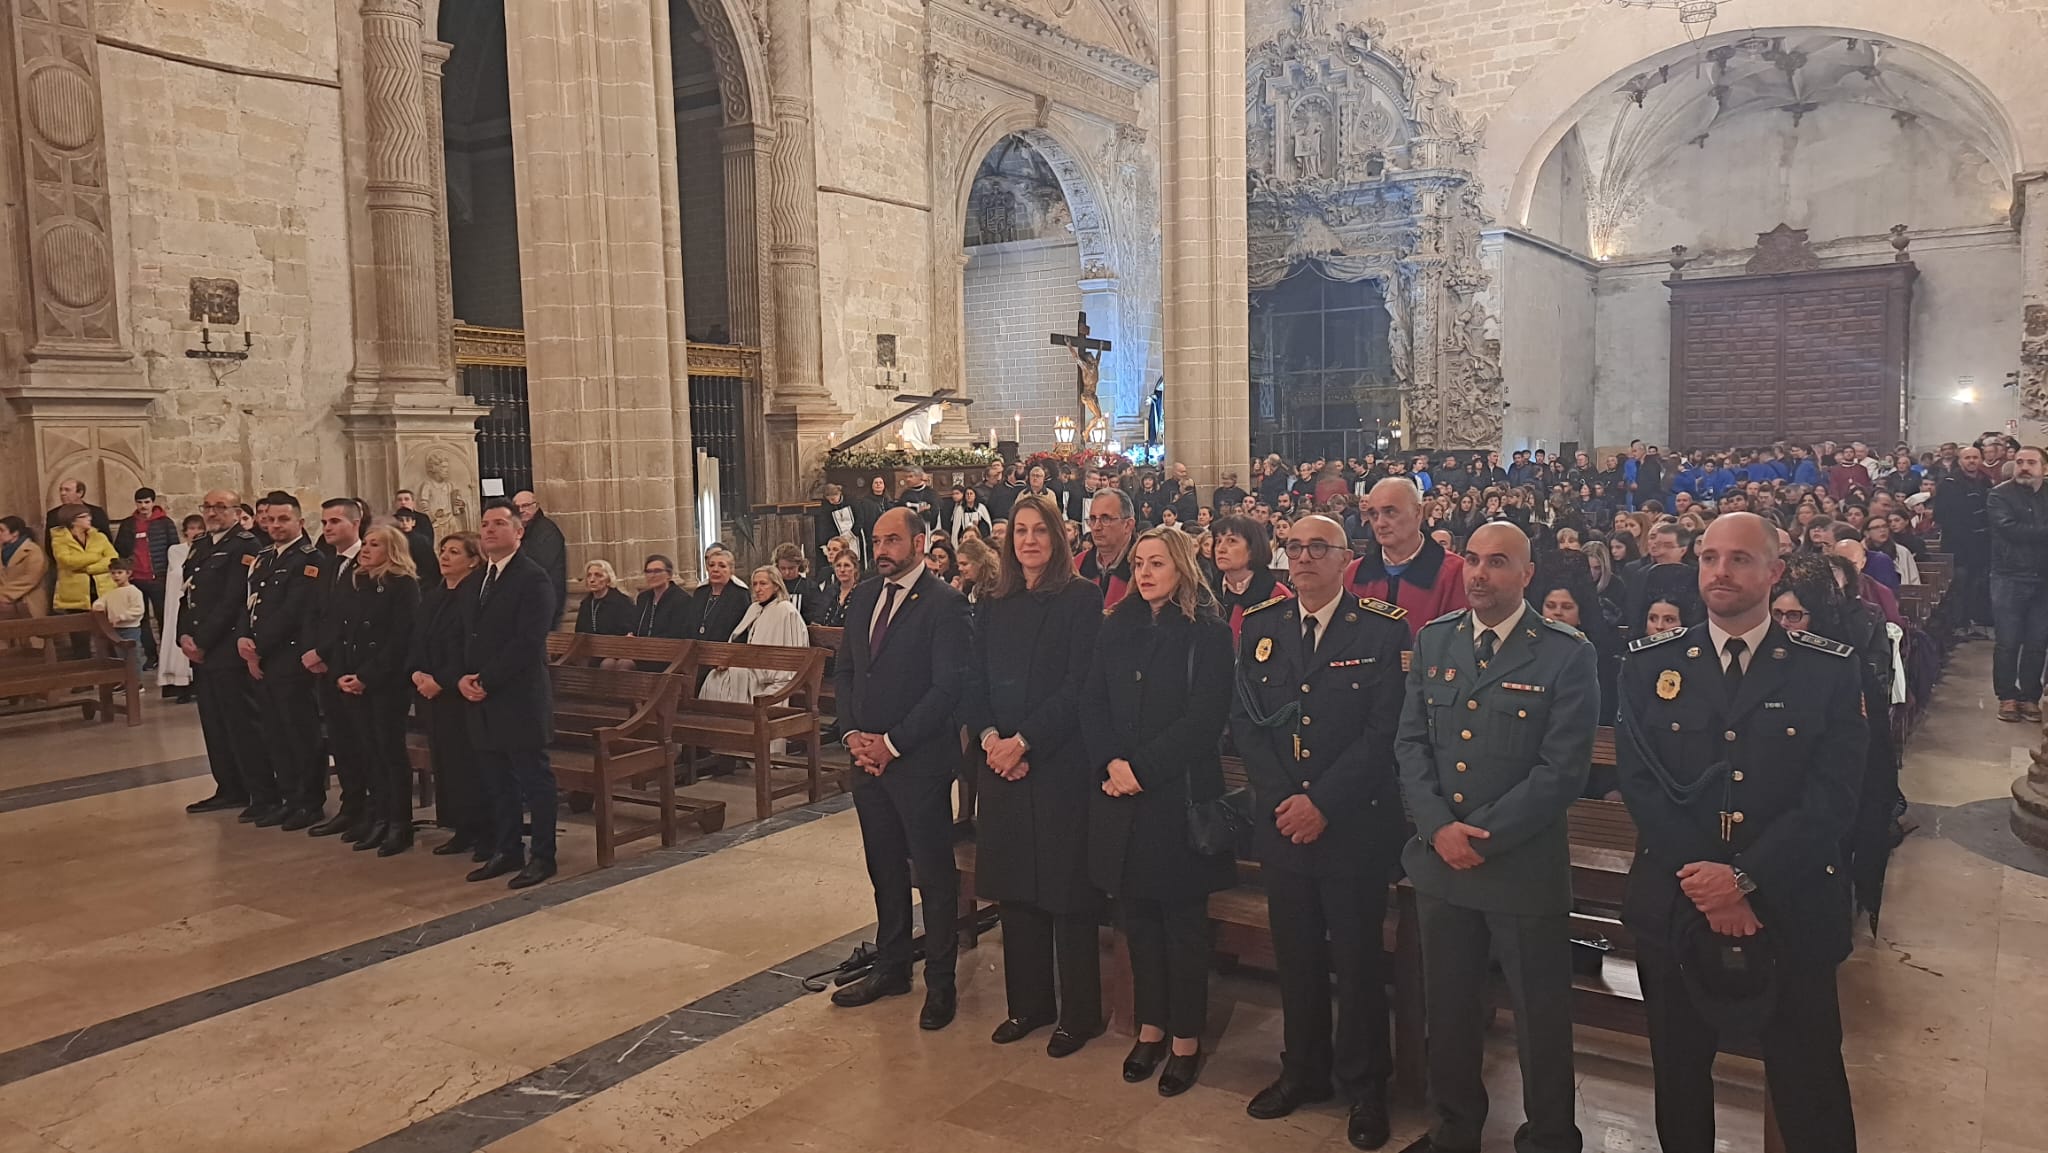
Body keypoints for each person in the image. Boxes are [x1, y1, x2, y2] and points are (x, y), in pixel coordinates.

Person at [1612, 513, 1867, 1153]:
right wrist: (1712, 886)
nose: (1720, 572)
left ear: (1775, 572)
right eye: (1709, 558)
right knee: (1678, 1076)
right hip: (1679, 900)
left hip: (1789, 903)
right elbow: (1643, 787)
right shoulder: (1649, 665)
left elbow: (1833, 799)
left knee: (1810, 1081)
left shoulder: (1826, 670)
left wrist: (1745, 879)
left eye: (1740, 559)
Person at [1394, 521, 1599, 1153]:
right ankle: (1454, 1130)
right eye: (1475, 561)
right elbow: (1411, 744)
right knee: (1448, 1012)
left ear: (1527, 575)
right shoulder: (1436, 641)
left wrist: (1476, 838)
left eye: (1499, 562)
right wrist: (1436, 828)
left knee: (1539, 1020)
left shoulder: (1565, 652)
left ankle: (1549, 1139)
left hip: (1519, 869)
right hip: (1441, 866)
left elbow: (1561, 771)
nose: (1481, 574)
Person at [1234, 514, 1412, 1149]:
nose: (1304, 558)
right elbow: (1248, 724)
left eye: (1319, 548)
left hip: (1354, 824)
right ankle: (1302, 1070)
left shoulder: (1383, 631)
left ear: (1347, 559)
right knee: (1297, 955)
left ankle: (1365, 1087)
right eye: (1295, 548)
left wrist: (1323, 803)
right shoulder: (1262, 627)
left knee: (1359, 961)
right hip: (1283, 824)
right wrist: (1285, 798)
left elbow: (1383, 732)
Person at [1085, 525, 1234, 1095]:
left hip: (1174, 797)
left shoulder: (1207, 633)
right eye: (1139, 563)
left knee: (1182, 926)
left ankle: (1186, 1040)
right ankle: (1149, 1028)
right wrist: (1110, 765)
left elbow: (1203, 722)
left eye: (1157, 564)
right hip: (1120, 798)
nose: (1145, 573)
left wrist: (1139, 770)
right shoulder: (1115, 625)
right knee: (1137, 920)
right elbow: (1091, 700)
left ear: (1181, 569)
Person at [956, 494, 1107, 1055]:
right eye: (1019, 531)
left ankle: (1080, 1013)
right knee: (1016, 891)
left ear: (1057, 538)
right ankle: (1029, 1005)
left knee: (1065, 895)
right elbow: (974, 678)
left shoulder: (1081, 599)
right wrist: (993, 738)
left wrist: (1025, 742)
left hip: (1056, 764)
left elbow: (1079, 685)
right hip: (1001, 765)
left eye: (1038, 530)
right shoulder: (995, 602)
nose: (1028, 541)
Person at [830, 507, 973, 1031]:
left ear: (919, 544)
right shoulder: (865, 595)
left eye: (892, 540)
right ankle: (891, 966)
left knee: (933, 877)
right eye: (876, 540)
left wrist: (892, 743)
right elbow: (846, 670)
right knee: (884, 868)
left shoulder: (946, 605)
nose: (881, 549)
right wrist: (851, 735)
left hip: (919, 763)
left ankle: (941, 982)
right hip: (867, 762)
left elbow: (946, 690)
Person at [462, 499, 562, 889]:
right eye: (484, 523)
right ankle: (507, 849)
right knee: (496, 778)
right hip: (482, 695)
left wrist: (485, 678)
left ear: (518, 532)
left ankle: (543, 855)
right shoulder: (479, 579)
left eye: (499, 524)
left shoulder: (533, 579)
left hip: (519, 695)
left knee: (533, 779)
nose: (488, 530)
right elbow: (467, 636)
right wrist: (462, 678)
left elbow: (527, 641)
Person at [239, 493, 332, 830]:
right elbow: (248, 603)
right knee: (275, 732)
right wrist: (241, 637)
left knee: (300, 732)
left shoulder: (310, 560)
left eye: (283, 520)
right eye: (271, 520)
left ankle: (309, 801)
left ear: (299, 523)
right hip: (261, 658)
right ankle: (289, 797)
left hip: (289, 658)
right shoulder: (263, 557)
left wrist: (257, 648)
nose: (276, 525)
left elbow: (293, 612)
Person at [330, 524, 421, 855]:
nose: (366, 550)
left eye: (375, 545)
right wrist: (341, 673)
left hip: (385, 683)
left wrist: (367, 676)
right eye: (365, 544)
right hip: (353, 680)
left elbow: (400, 640)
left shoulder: (403, 586)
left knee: (389, 752)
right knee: (367, 752)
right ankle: (377, 816)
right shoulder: (355, 582)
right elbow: (341, 632)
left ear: (392, 551)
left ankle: (399, 823)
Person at [179, 491, 265, 815]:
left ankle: (256, 790)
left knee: (241, 723)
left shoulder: (245, 546)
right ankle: (227, 786)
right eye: (208, 507)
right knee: (214, 724)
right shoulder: (201, 546)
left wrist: (202, 640)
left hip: (226, 648)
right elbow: (187, 596)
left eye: (220, 507)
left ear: (236, 511)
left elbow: (233, 601)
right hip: (203, 652)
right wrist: (183, 635)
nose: (212, 513)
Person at [412, 532, 489, 859]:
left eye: (454, 552)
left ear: (473, 560)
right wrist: (416, 672)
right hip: (431, 692)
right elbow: (417, 638)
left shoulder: (475, 596)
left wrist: (441, 681)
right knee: (445, 763)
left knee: (467, 765)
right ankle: (459, 827)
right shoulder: (434, 594)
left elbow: (468, 649)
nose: (444, 556)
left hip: (458, 692)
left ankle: (481, 828)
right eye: (442, 550)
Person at [1344, 478, 1469, 640]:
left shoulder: (1457, 573)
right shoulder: (1353, 574)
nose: (1380, 523)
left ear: (1418, 512)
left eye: (1390, 512)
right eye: (1373, 514)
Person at [1988, 445, 2048, 722]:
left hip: (2044, 578)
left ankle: (2030, 696)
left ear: (2043, 468)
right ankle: (2007, 696)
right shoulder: (1999, 494)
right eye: (2020, 461)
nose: (2024, 467)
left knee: (2037, 642)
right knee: (2008, 641)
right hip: (2009, 575)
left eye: (2031, 462)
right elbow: (2009, 530)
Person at [700, 566, 810, 705]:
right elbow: (740, 641)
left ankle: (734, 721)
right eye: (755, 584)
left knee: (730, 678)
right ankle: (713, 722)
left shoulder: (785, 610)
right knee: (715, 676)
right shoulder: (755, 608)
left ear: (776, 586)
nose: (758, 589)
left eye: (763, 584)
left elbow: (792, 652)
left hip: (773, 678)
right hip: (751, 668)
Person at [113, 488, 177, 669]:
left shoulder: (164, 523)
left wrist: (169, 574)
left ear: (153, 502)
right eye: (140, 502)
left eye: (147, 502)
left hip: (158, 577)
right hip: (136, 578)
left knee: (163, 617)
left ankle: (167, 654)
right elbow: (120, 549)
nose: (143, 506)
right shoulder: (128, 524)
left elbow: (173, 549)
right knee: (141, 620)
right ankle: (151, 655)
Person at [1934, 444, 1994, 637]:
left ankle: (1974, 621)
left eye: (1975, 458)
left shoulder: (1985, 481)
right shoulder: (1949, 483)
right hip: (1957, 544)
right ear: (1960, 461)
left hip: (1981, 544)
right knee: (1959, 585)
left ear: (1980, 459)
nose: (1971, 461)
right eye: (1967, 458)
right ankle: (1958, 625)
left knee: (1977, 585)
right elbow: (1940, 515)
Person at [155, 515, 203, 700]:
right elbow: (177, 574)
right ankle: (180, 684)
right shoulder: (176, 550)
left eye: (199, 529)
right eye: (192, 528)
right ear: (185, 532)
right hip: (179, 601)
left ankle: (195, 684)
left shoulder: (208, 550)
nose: (195, 532)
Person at [49, 505, 118, 627]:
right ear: (73, 520)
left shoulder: (99, 537)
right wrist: (96, 556)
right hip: (75, 595)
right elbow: (68, 561)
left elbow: (113, 559)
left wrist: (90, 569)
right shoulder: (59, 540)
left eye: (89, 515)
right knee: (80, 635)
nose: (89, 518)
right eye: (84, 516)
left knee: (107, 632)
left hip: (101, 591)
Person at [512, 490, 569, 625]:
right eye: (517, 507)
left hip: (544, 600)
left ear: (536, 506)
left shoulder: (547, 531)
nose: (521, 510)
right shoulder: (523, 530)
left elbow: (538, 565)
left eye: (525, 506)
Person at [1078, 488, 1137, 608]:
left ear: (1128, 525)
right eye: (1093, 519)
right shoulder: (1076, 565)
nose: (1096, 527)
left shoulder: (1145, 568)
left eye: (1105, 519)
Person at [93, 556, 146, 683]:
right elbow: (100, 602)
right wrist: (98, 606)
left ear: (128, 573)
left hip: (130, 628)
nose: (116, 576)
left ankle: (136, 682)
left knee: (133, 657)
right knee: (121, 657)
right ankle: (125, 681)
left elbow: (138, 609)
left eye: (120, 572)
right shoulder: (111, 592)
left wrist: (122, 616)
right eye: (113, 573)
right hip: (116, 629)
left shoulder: (134, 591)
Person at [690, 546, 748, 647]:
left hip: (726, 651)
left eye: (722, 566)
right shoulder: (700, 592)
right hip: (698, 649)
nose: (715, 569)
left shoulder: (739, 594)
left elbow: (741, 630)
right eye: (711, 565)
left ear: (731, 570)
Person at [630, 554, 694, 639]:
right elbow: (636, 626)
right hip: (643, 648)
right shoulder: (643, 598)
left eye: (657, 571)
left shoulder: (682, 599)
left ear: (669, 575)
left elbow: (677, 633)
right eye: (648, 571)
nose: (652, 575)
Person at [0, 516, 50, 624]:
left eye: (2, 530)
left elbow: (30, 578)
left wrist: (5, 595)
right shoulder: (2, 552)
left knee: (29, 634)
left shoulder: (32, 551)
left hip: (28, 601)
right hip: (6, 605)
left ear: (15, 533)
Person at [575, 560, 635, 636]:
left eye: (598, 575)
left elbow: (628, 632)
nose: (592, 580)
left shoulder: (622, 602)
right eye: (589, 575)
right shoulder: (586, 603)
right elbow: (579, 633)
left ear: (609, 579)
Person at [816, 483, 862, 571]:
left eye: (833, 499)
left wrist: (852, 533)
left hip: (854, 535)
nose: (831, 502)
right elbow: (825, 526)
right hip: (839, 537)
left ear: (839, 494)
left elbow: (860, 517)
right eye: (829, 500)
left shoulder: (851, 501)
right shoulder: (826, 508)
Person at [44, 478, 110, 539]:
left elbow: (106, 538)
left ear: (80, 493)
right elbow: (49, 543)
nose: (62, 493)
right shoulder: (53, 515)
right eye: (61, 490)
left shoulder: (97, 512)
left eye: (67, 490)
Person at [817, 551, 862, 626]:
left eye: (847, 565)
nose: (842, 570)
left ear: (855, 568)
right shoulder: (829, 592)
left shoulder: (862, 592)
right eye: (838, 566)